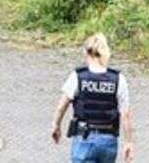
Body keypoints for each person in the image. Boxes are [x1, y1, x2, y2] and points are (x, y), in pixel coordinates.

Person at [50, 33, 136, 163]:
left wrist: (56, 126)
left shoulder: (77, 76)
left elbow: (62, 106)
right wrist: (128, 142)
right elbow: (126, 114)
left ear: (85, 52)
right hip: (108, 140)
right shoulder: (118, 79)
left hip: (84, 138)